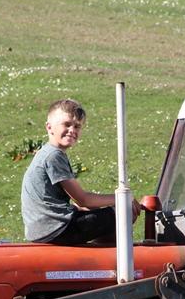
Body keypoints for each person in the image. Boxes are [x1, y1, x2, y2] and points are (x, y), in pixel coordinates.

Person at [21, 98, 140, 245]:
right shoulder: (53, 156)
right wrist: (124, 198)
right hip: (55, 229)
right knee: (124, 212)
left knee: (104, 212)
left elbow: (79, 204)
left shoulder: (46, 153)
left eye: (77, 126)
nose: (72, 130)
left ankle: (104, 252)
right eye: (67, 124)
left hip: (42, 228)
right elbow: (83, 199)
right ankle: (109, 260)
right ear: (49, 127)